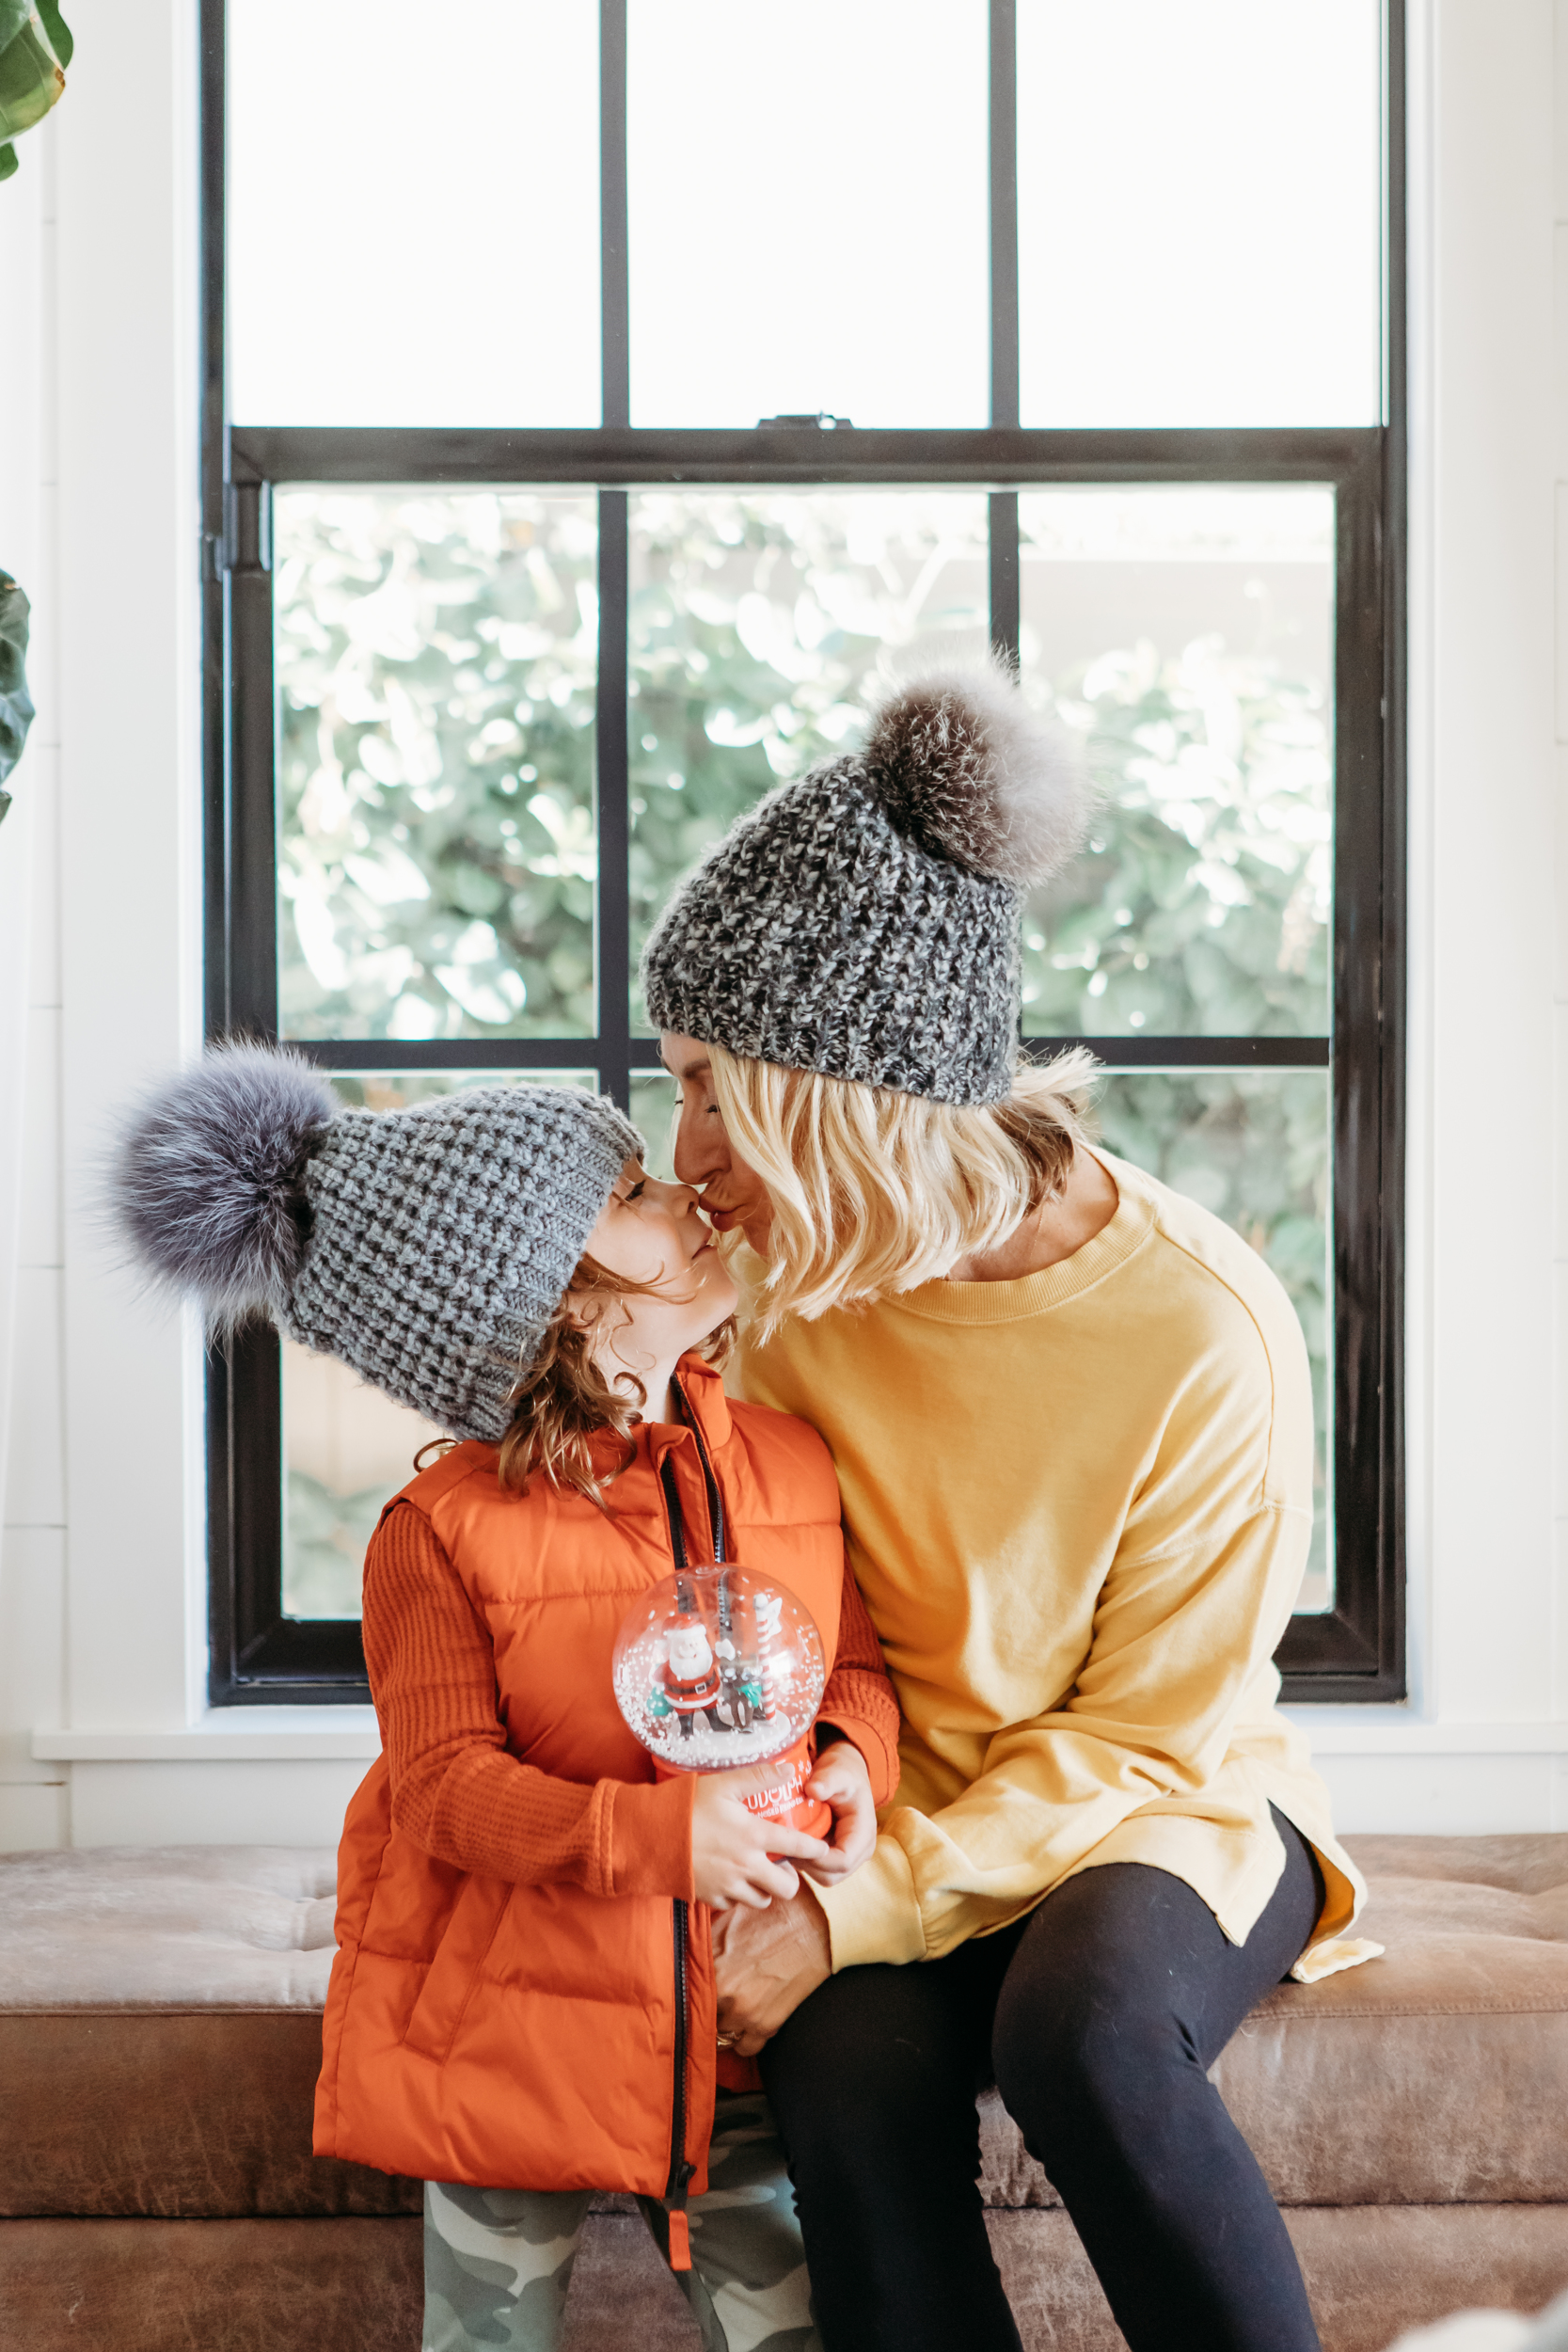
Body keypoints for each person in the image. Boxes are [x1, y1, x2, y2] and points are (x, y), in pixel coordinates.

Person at [641, 662, 1377, 2352]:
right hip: (894, 1797)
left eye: (709, 1087)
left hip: (1155, 1801)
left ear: (841, 1100)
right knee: (835, 2055)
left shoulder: (1203, 1323)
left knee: (1086, 2027)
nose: (684, 1149)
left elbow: (1144, 1731)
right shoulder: (783, 1286)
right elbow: (751, 1613)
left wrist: (849, 1911)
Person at [107, 1045, 901, 2352]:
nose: (692, 1198)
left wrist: (854, 1767)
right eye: (635, 1193)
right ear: (554, 1304)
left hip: (728, 2025)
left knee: (798, 2327)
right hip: (503, 2023)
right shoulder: (437, 1532)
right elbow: (441, 1786)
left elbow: (851, 1672)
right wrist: (658, 1839)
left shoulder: (791, 1460)